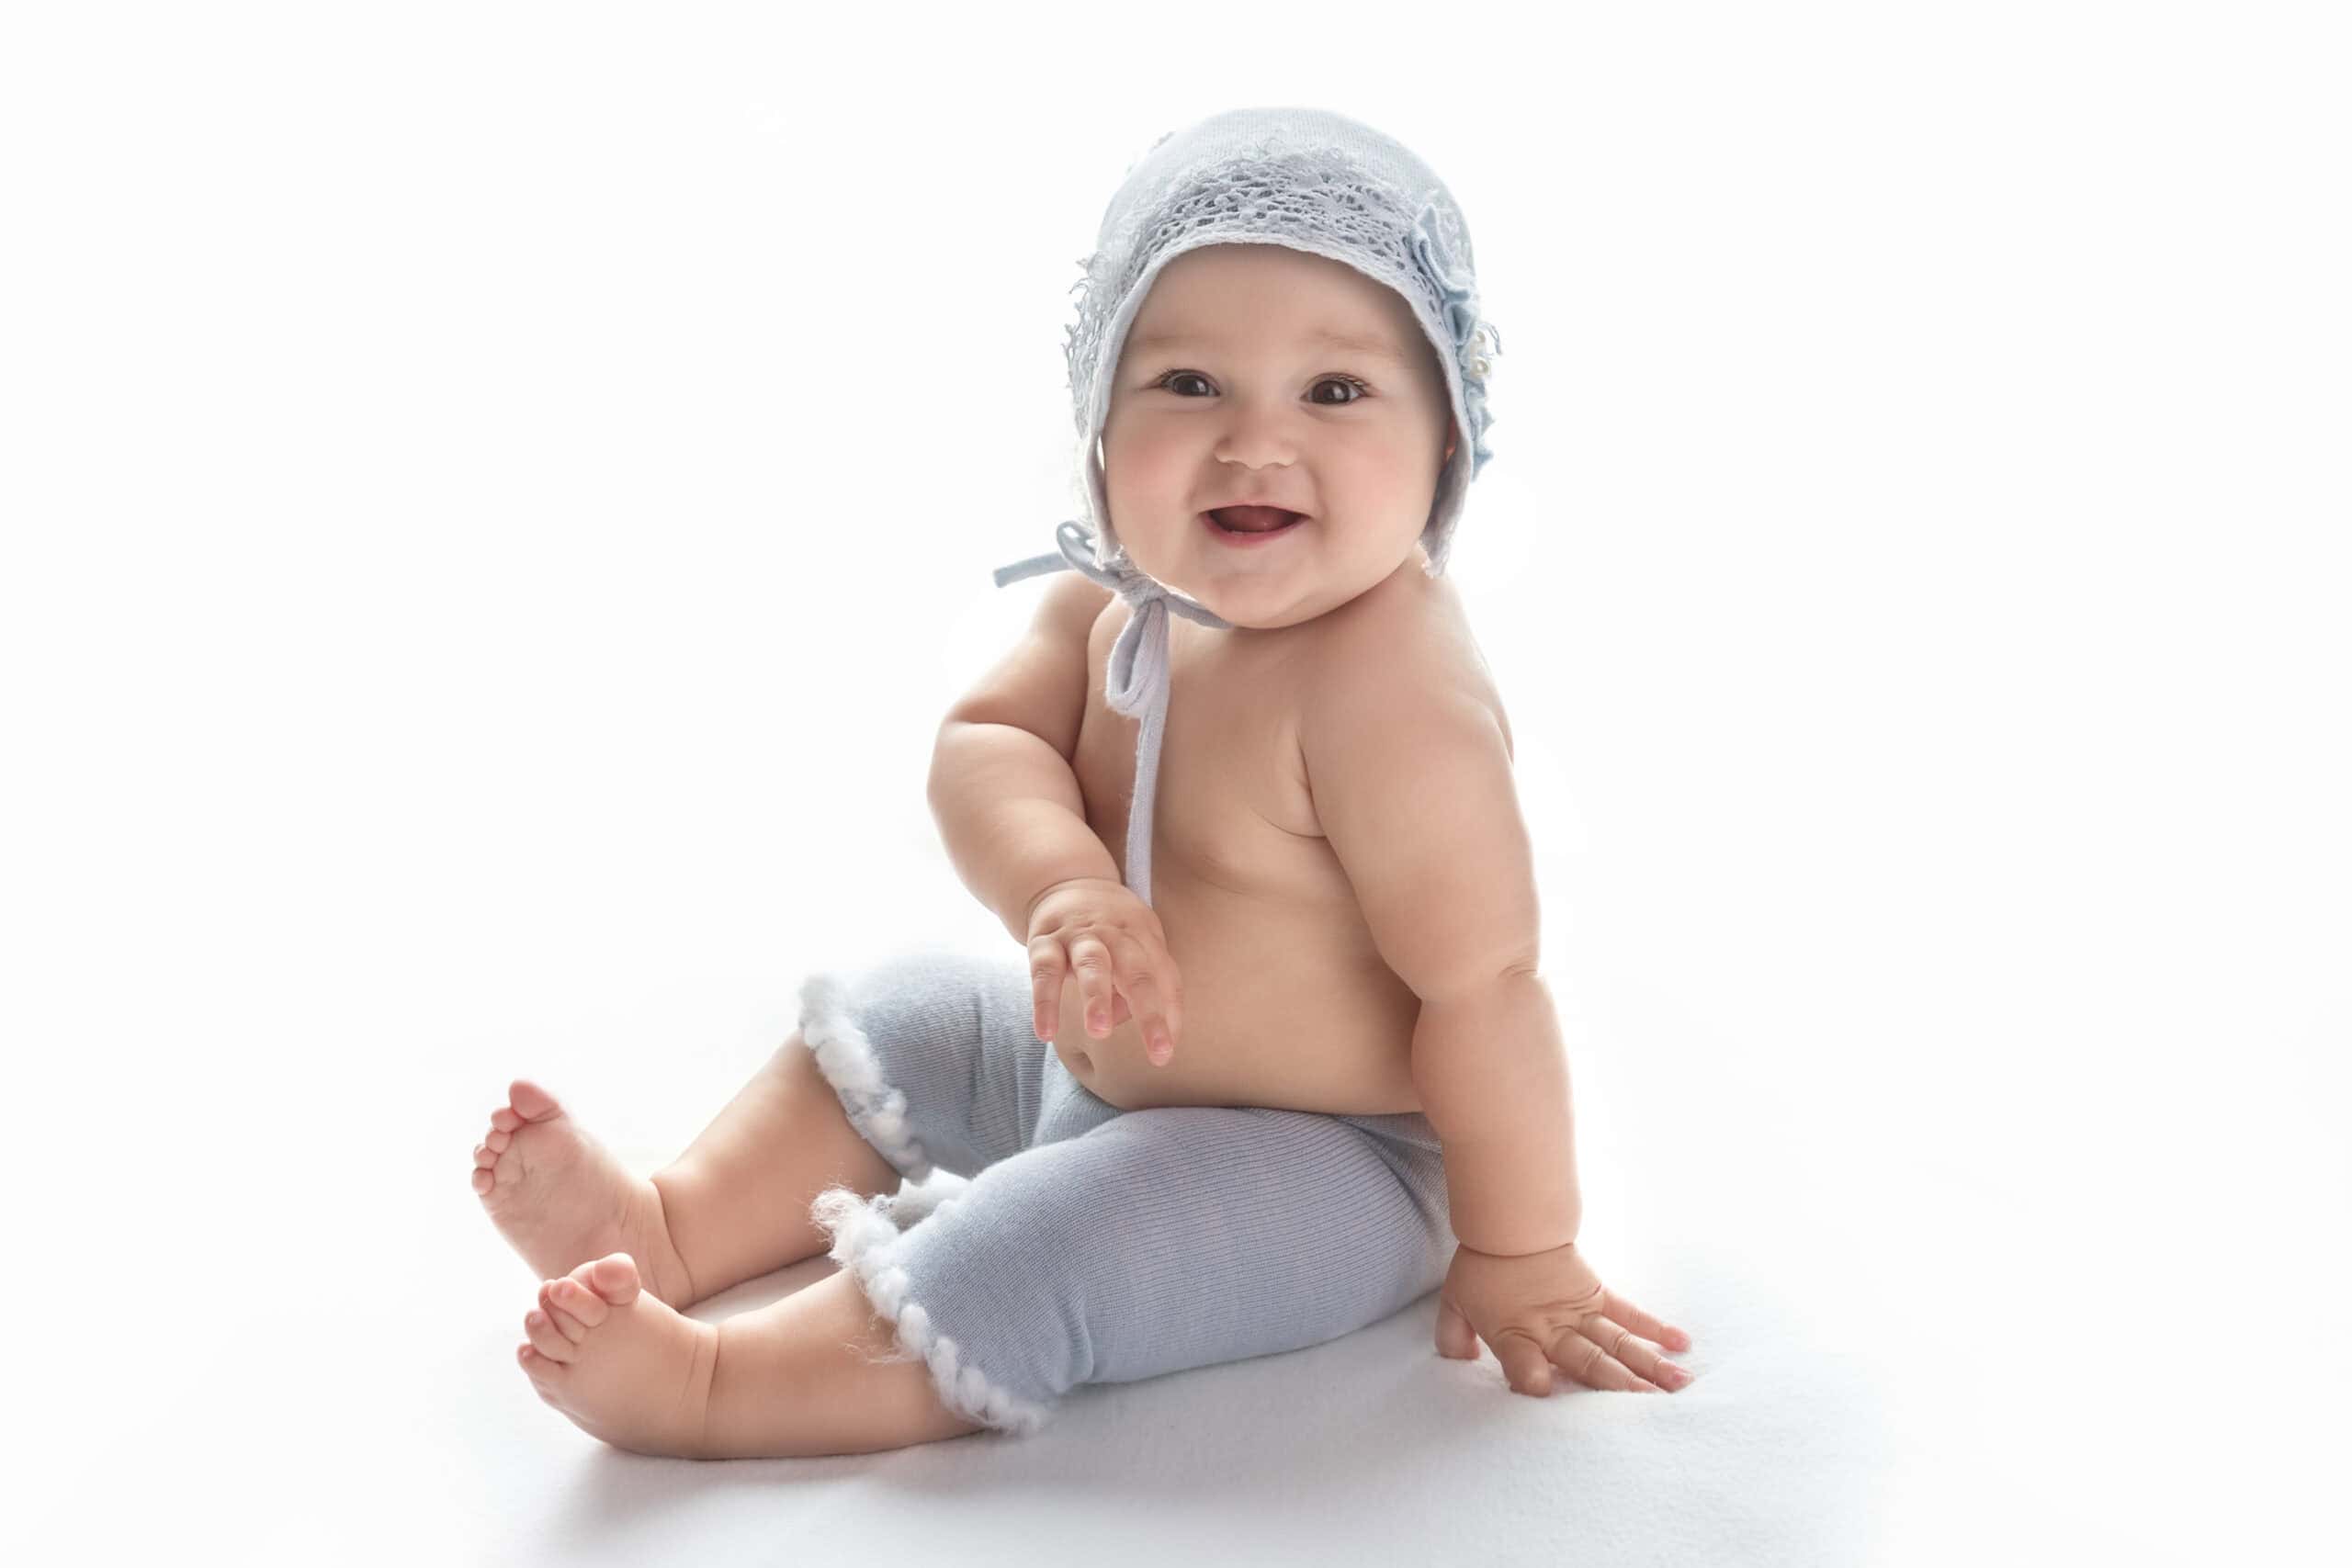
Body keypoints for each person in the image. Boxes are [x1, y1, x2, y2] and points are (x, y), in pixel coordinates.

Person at [470, 106, 1695, 1459]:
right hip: (1092, 1072)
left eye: (1334, 392)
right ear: (1100, 422)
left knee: (1046, 1236)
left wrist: (1527, 1248)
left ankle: (723, 1390)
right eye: (1187, 385)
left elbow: (1487, 988)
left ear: (1449, 445)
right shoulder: (1122, 605)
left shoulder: (1387, 692)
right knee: (912, 1012)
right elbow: (985, 743)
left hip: (1325, 1161)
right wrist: (1065, 885)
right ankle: (675, 1218)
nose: (1253, 442)